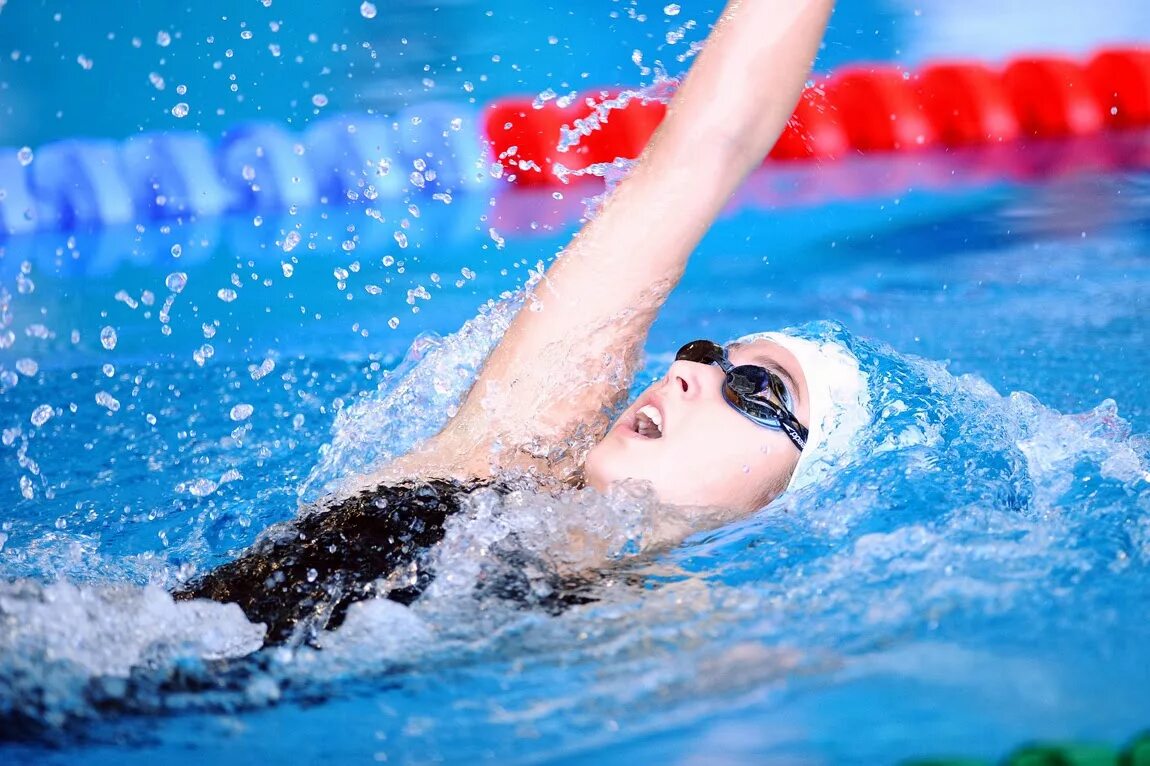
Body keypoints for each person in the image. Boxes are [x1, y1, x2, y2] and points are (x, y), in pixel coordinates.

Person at [175, 0, 868, 647]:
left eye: (756, 387)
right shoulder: (504, 458)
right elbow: (702, 151)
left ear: (792, 494)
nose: (686, 372)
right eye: (704, 355)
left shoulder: (687, 637)